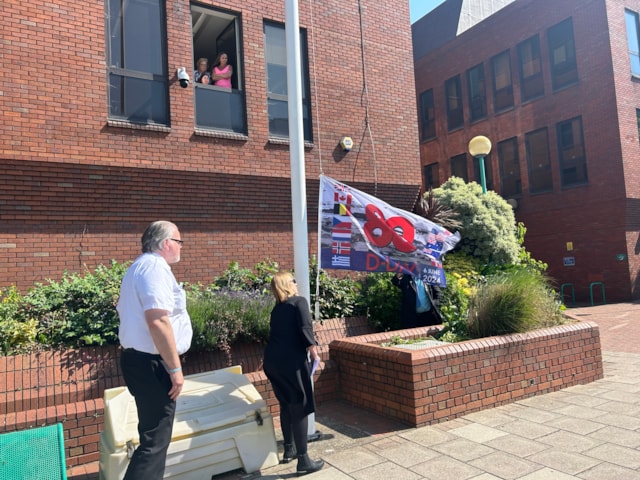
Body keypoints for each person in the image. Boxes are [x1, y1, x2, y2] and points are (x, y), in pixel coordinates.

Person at [117, 220, 193, 480]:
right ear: (166, 243)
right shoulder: (155, 269)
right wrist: (175, 368)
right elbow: (158, 320)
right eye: (179, 241)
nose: (182, 247)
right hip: (152, 364)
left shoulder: (138, 267)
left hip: (139, 361)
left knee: (152, 436)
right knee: (155, 441)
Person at [263, 272, 324, 476]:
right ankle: (303, 460)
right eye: (294, 281)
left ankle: (289, 449)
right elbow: (305, 327)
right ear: (287, 285)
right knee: (299, 405)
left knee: (286, 404)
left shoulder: (277, 308)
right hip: (291, 363)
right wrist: (315, 352)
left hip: (272, 362)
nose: (297, 284)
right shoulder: (299, 302)